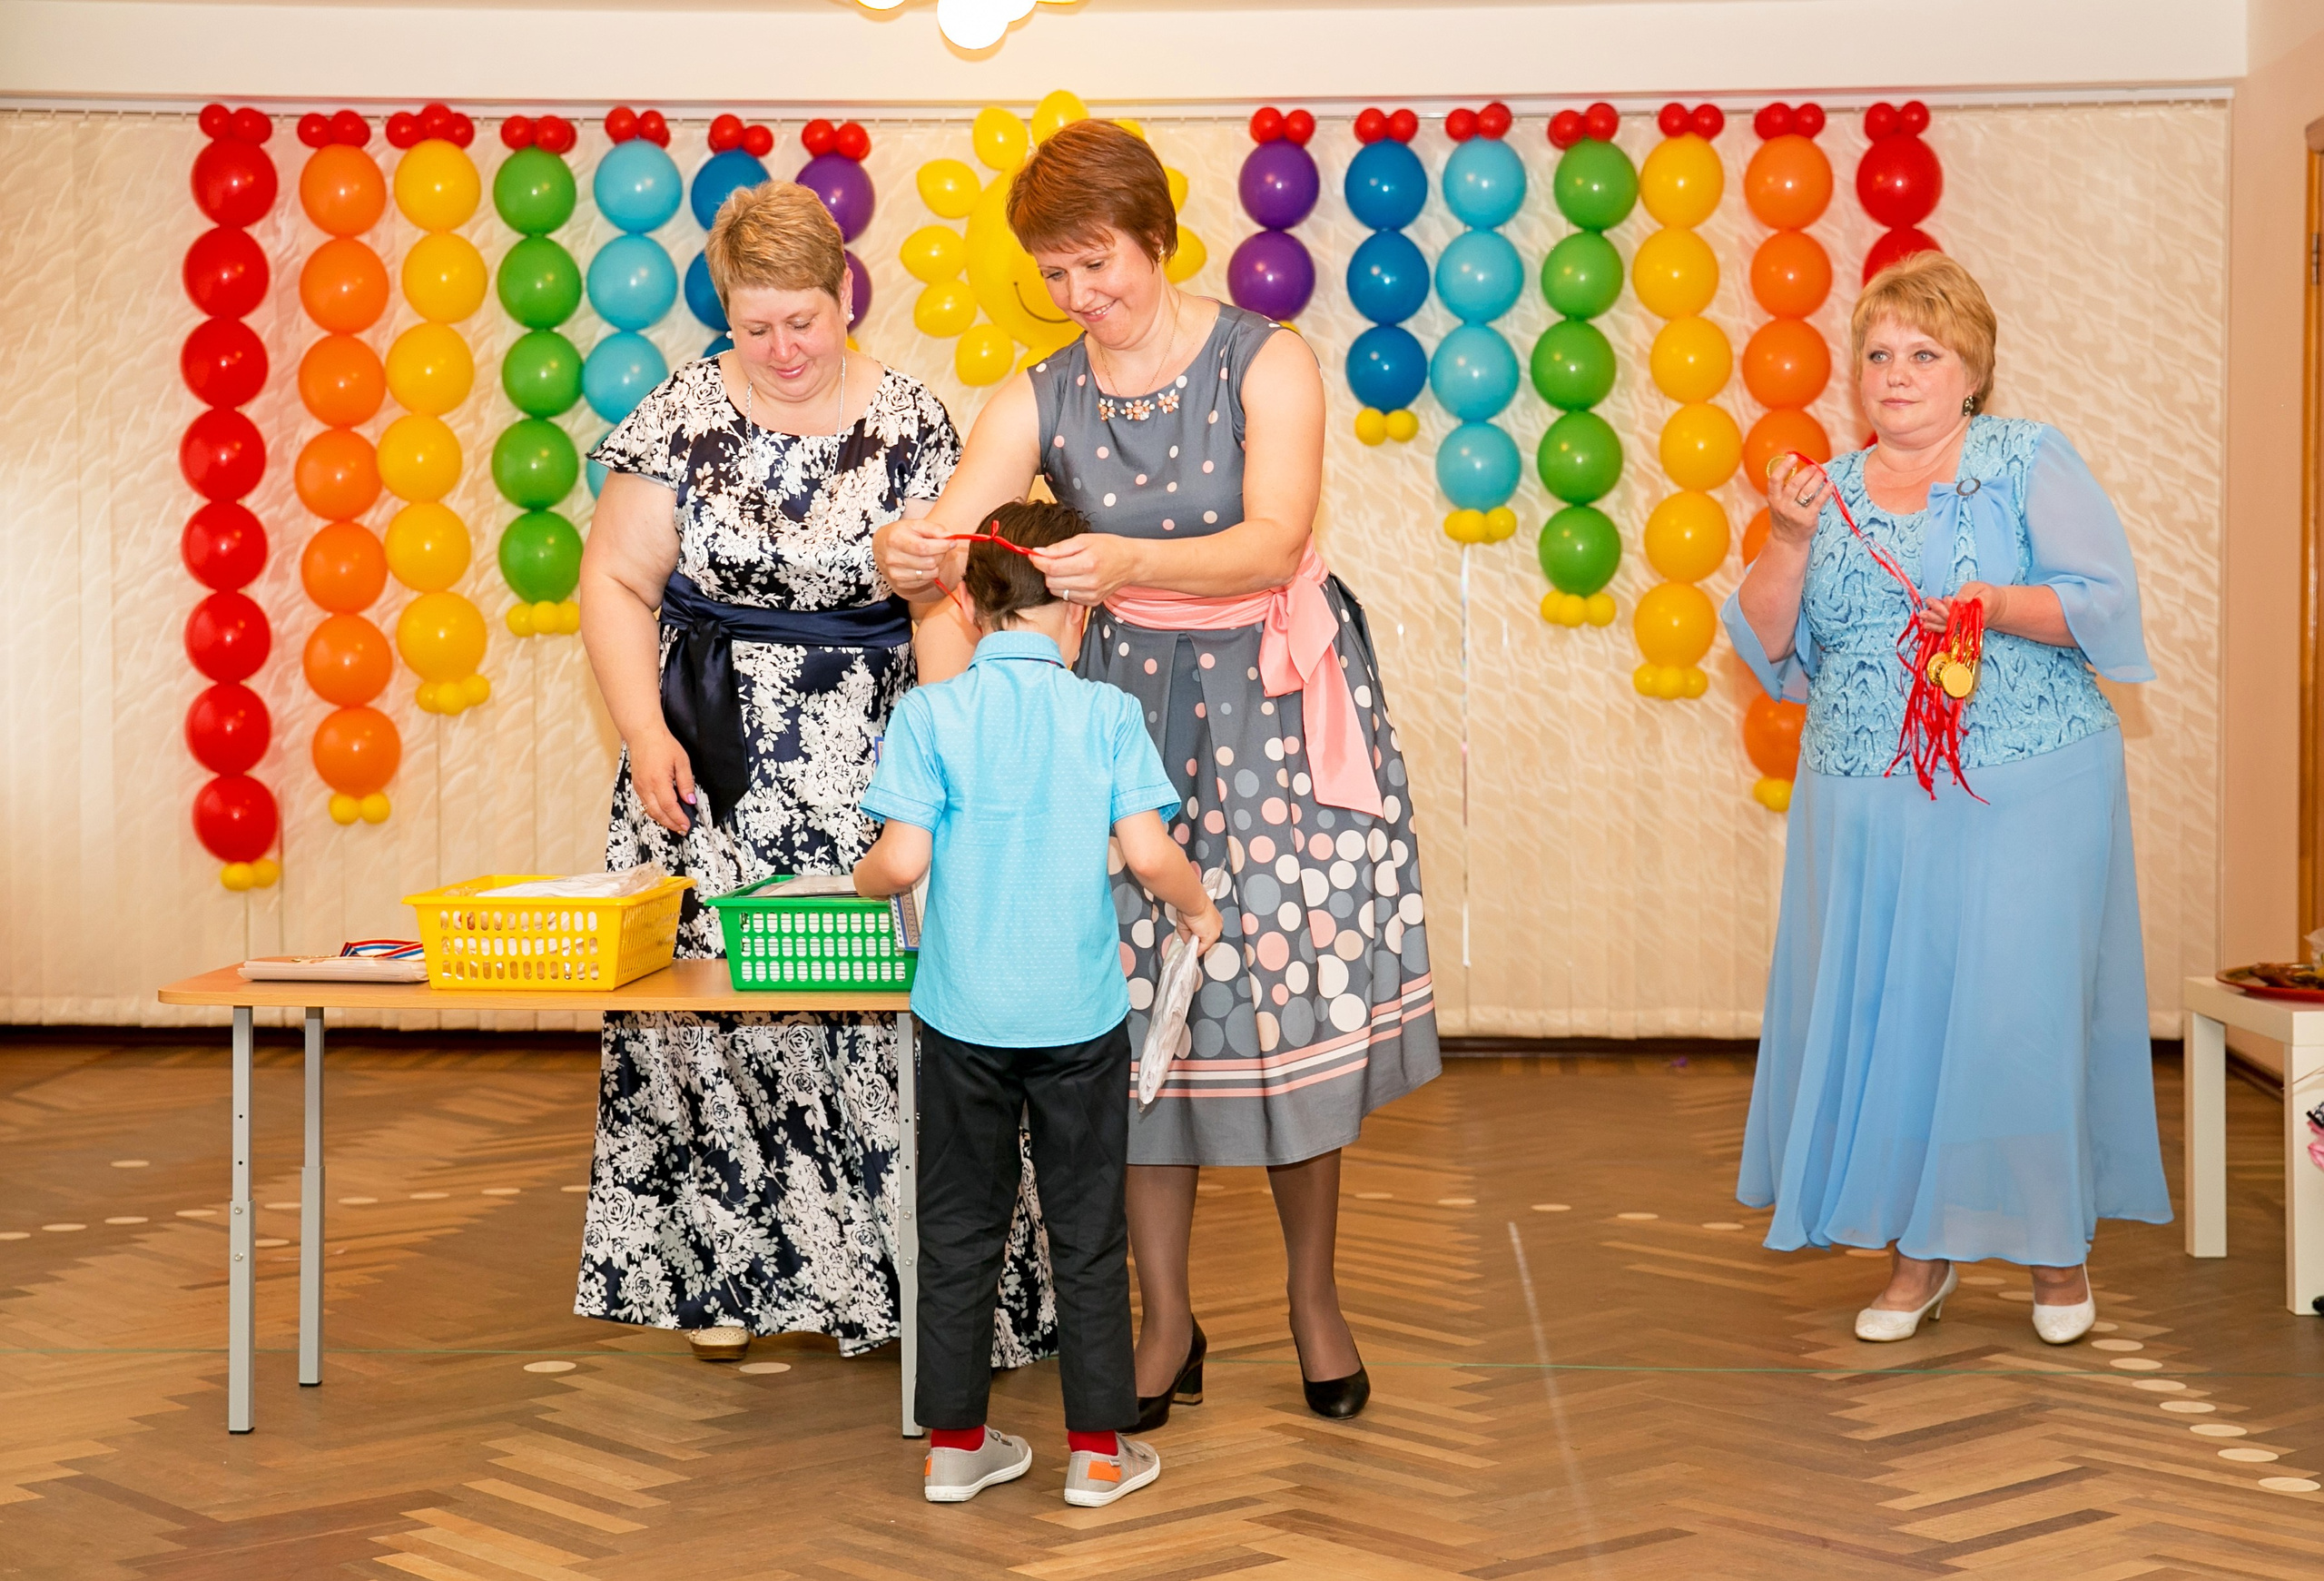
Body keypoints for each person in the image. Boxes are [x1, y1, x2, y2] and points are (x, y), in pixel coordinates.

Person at [875, 118, 1437, 1427]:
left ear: (1157, 236)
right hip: (1123, 718)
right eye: (1056, 276)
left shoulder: (1268, 357)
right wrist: (917, 563)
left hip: (1281, 707)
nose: (1082, 296)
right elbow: (963, 541)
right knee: (1127, 1024)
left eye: (1098, 264)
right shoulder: (1034, 395)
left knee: (1290, 1005)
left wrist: (1125, 560)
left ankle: (1314, 1299)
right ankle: (1164, 1316)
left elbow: (1273, 535)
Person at [574, 181, 1055, 1367]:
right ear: (727, 316)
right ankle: (731, 1276)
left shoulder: (911, 424)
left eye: (804, 318)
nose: (784, 349)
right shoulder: (678, 416)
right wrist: (642, 731)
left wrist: (944, 757)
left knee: (891, 1026)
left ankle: (896, 1282)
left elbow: (948, 602)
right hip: (710, 762)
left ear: (845, 293)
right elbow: (616, 583)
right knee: (716, 1027)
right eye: (756, 326)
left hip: (870, 761)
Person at [1726, 251, 2170, 1345]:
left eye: (1923, 353)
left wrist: (2000, 604)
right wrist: (1784, 539)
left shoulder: (2026, 459)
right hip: (1867, 796)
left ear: (1971, 369)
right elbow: (1769, 643)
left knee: (2014, 1016)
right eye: (1876, 354)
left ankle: (2055, 1258)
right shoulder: (1818, 491)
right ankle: (1916, 1256)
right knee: (1901, 1020)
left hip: (2024, 785)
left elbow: (2103, 604)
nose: (1896, 373)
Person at [855, 501, 1223, 1507]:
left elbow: (901, 862)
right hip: (1078, 1022)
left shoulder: (929, 715)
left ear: (967, 608)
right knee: (1088, 1230)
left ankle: (954, 1447)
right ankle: (1098, 1457)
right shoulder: (1104, 714)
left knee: (960, 1228)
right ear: (1079, 609)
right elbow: (1149, 855)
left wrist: (859, 878)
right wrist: (1201, 913)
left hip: (963, 1019)